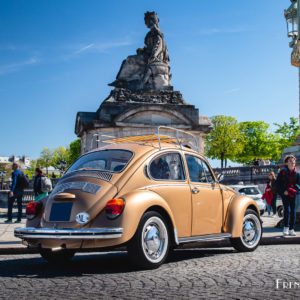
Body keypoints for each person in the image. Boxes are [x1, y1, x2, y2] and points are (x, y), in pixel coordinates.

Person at [276, 155, 300, 236]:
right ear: (287, 163)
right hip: (285, 194)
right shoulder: (283, 172)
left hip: (293, 193)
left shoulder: (297, 173)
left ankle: (292, 229)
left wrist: (296, 190)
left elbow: (298, 184)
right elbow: (277, 184)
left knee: (293, 211)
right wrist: (283, 192)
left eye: (293, 161)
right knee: (287, 210)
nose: (292, 162)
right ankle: (286, 227)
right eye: (290, 161)